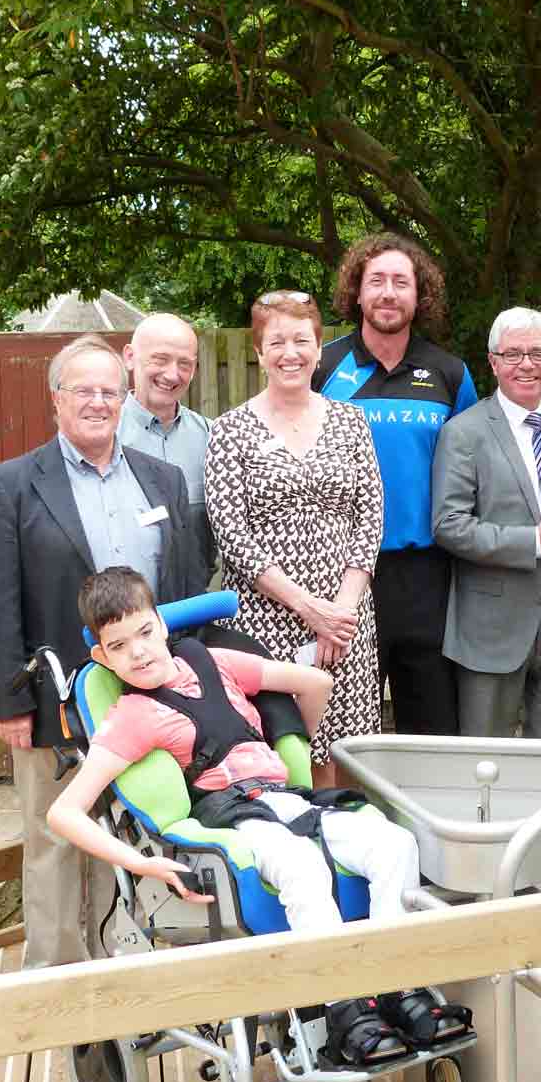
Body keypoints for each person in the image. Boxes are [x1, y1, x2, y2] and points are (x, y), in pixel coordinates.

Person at [45, 566, 468, 1066]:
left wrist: (294, 750)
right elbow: (64, 812)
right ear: (101, 656)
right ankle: (343, 1011)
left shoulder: (210, 662)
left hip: (288, 798)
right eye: (119, 646)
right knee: (300, 864)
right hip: (232, 816)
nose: (138, 651)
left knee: (394, 843)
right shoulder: (132, 717)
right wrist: (142, 865)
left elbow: (314, 681)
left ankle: (398, 989)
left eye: (143, 633)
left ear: (162, 624)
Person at [0, 333, 205, 970]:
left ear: (125, 398)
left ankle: (117, 959)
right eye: (84, 390)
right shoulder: (8, 486)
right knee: (52, 834)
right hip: (57, 695)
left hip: (147, 689)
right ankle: (53, 975)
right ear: (57, 400)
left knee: (133, 824)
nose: (98, 402)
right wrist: (11, 703)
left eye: (110, 391)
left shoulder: (164, 478)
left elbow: (182, 585)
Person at [204, 290, 385, 787]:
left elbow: (370, 516)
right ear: (259, 352)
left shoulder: (352, 422)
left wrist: (340, 615)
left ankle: (344, 853)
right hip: (269, 618)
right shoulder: (230, 431)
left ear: (319, 348)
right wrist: (310, 610)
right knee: (282, 756)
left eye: (301, 340)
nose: (290, 352)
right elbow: (232, 535)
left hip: (346, 620)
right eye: (276, 341)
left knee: (345, 759)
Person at [315, 234, 479, 735]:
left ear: (419, 296)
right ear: (357, 293)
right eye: (377, 281)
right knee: (343, 727)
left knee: (430, 723)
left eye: (401, 283)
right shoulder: (322, 367)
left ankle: (425, 815)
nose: (389, 293)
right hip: (339, 573)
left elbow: (480, 463)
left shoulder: (450, 374)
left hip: (425, 572)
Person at [432, 307, 541, 738]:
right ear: (494, 362)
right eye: (514, 353)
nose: (527, 364)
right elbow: (448, 524)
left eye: (538, 353)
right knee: (489, 760)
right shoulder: (463, 432)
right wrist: (534, 542)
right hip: (493, 623)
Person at [119, 312, 217, 581]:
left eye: (184, 364)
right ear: (129, 357)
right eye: (160, 359)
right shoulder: (105, 439)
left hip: (197, 606)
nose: (172, 374)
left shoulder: (212, 439)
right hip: (124, 610)